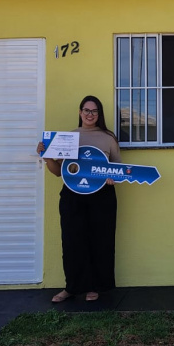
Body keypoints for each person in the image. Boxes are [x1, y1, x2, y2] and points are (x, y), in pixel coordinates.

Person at [36, 95, 120, 302]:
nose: (90, 114)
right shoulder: (68, 138)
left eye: (94, 111)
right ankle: (72, 287)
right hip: (72, 196)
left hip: (101, 197)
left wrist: (112, 177)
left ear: (99, 114)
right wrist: (46, 156)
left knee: (100, 241)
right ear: (80, 112)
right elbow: (58, 172)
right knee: (72, 242)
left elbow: (118, 171)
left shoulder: (109, 138)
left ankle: (96, 287)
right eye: (86, 110)